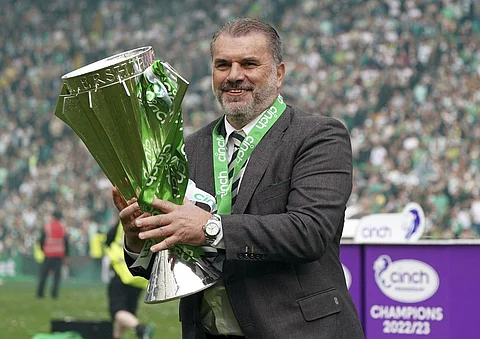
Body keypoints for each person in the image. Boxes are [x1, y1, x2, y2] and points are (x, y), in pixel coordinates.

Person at [113, 17, 365, 339]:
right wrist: (140, 238)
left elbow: (310, 232)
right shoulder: (187, 148)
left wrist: (209, 228)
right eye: (222, 65)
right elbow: (170, 264)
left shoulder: (318, 136)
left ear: (278, 74)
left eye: (249, 64)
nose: (234, 76)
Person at [104, 221, 156, 339]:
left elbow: (108, 240)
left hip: (121, 271)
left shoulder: (124, 220)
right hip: (139, 276)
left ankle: (141, 329)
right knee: (127, 312)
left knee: (117, 311)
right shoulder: (149, 223)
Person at [36, 209, 69, 299]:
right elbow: (66, 242)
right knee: (56, 276)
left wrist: (43, 249)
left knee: (44, 275)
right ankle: (54, 294)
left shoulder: (47, 226)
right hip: (58, 254)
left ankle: (40, 293)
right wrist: (66, 254)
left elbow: (42, 239)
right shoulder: (63, 227)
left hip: (48, 254)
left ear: (53, 217)